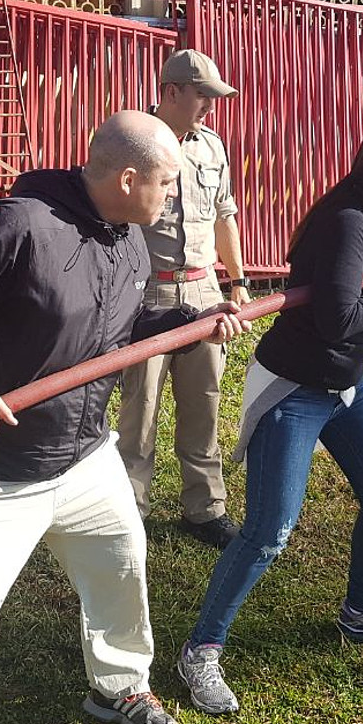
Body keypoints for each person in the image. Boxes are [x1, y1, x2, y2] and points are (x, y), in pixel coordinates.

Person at [0, 110, 251, 724]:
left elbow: (123, 331)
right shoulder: (19, 224)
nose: (172, 198)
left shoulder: (128, 239)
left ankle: (119, 685)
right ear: (129, 178)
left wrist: (194, 320)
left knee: (121, 566)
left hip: (85, 458)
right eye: (165, 184)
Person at [174, 116, 363, 714]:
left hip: (344, 385)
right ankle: (201, 649)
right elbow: (340, 318)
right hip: (293, 388)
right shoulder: (346, 223)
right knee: (270, 532)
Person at [117, 49, 249, 550]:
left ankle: (205, 508)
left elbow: (224, 216)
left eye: (214, 98)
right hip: (147, 291)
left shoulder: (211, 148)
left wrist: (236, 282)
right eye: (202, 96)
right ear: (171, 91)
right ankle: (131, 511)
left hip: (202, 288)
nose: (210, 107)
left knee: (204, 401)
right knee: (140, 407)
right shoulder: (135, 142)